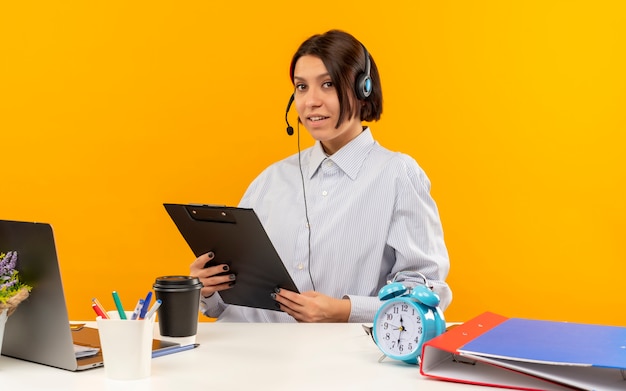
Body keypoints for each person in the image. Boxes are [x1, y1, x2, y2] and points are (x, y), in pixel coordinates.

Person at [190, 29, 452, 323]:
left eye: (327, 84)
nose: (310, 101)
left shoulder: (397, 175)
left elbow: (426, 294)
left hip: (340, 361)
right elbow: (223, 309)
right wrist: (208, 288)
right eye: (301, 87)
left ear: (363, 89)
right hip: (249, 359)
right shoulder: (270, 180)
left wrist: (343, 310)